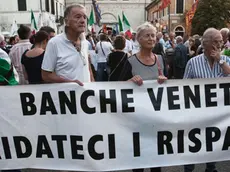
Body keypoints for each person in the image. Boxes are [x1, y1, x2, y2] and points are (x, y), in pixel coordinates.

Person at [183, 28, 230, 172]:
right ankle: (189, 168)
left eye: (221, 41)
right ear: (205, 43)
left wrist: (220, 61)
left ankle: (211, 167)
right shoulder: (193, 62)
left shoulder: (226, 60)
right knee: (193, 143)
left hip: (218, 115)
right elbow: (183, 87)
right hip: (196, 113)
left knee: (213, 142)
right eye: (216, 42)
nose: (220, 45)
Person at [42, 4, 93, 85]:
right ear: (66, 22)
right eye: (78, 17)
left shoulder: (85, 42)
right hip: (67, 96)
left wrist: (94, 86)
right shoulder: (54, 43)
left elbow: (87, 67)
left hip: (87, 95)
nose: (83, 20)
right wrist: (70, 84)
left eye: (84, 17)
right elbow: (46, 75)